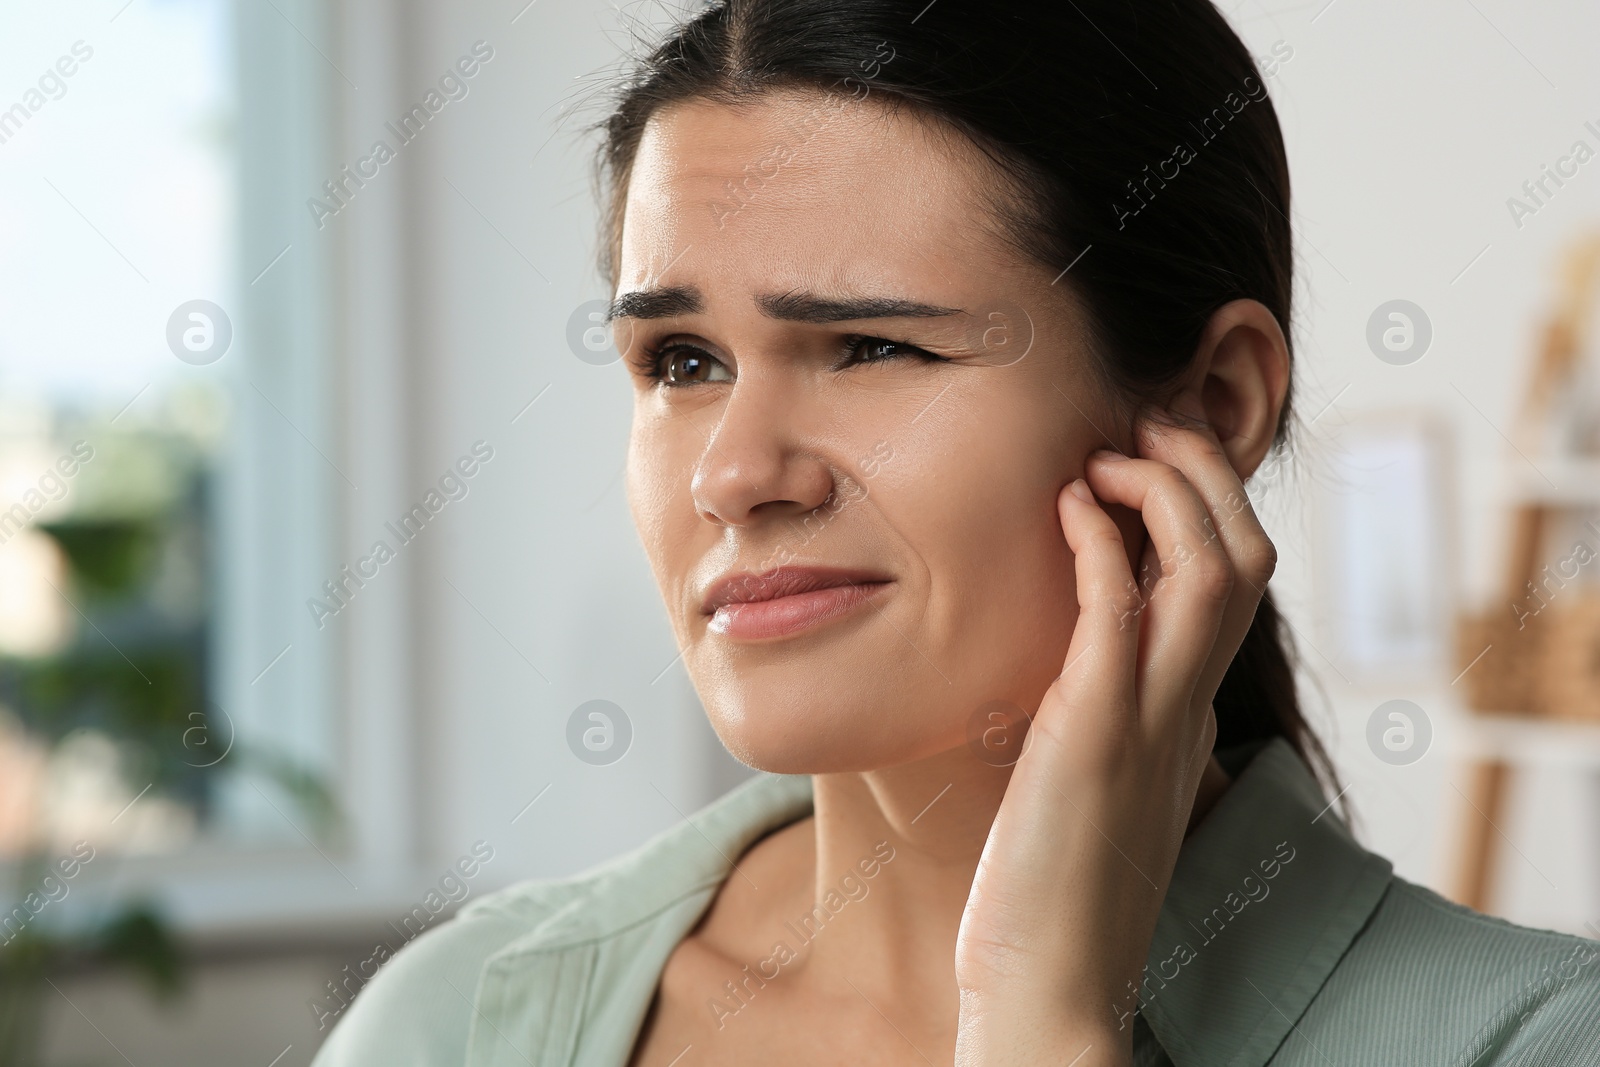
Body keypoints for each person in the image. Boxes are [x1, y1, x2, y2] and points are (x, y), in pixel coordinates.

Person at [311, 1, 1600, 1064]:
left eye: (871, 345)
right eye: (683, 359)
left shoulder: (1527, 1040)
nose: (734, 474)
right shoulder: (459, 1021)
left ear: (1212, 406)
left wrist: (1043, 1019)